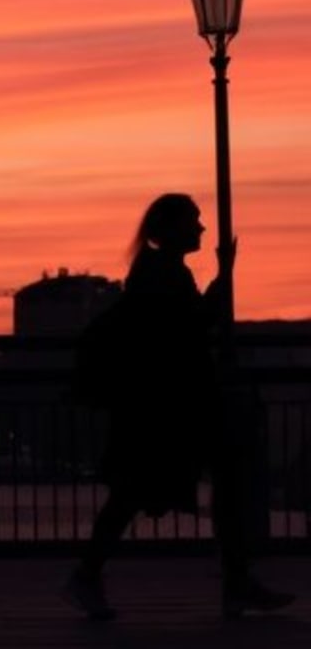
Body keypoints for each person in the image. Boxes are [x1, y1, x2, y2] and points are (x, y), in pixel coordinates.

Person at [63, 193, 293, 621]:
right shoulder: (162, 275)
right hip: (168, 404)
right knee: (146, 490)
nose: (202, 229)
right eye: (194, 221)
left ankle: (235, 579)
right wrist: (225, 274)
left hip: (169, 402)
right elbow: (194, 324)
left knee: (156, 488)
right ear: (172, 229)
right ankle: (90, 574)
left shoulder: (154, 273)